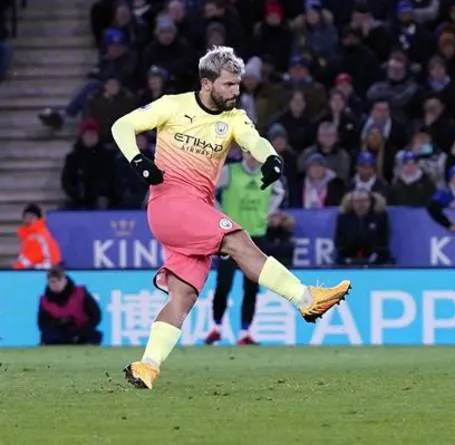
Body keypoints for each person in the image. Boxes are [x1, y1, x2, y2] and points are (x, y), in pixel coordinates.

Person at [110, 46, 351, 389]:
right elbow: (122, 125)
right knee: (237, 240)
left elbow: (255, 140)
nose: (235, 91)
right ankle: (306, 299)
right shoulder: (172, 105)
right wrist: (139, 161)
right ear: (206, 83)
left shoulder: (234, 118)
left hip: (197, 209)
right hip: (170, 204)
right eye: (228, 84)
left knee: (183, 296)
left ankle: (147, 366)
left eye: (237, 84)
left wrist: (271, 159)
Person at [205, 152, 287, 346]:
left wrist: (267, 212)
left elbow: (279, 192)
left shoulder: (267, 173)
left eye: (255, 154)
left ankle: (245, 332)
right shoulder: (230, 172)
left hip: (256, 236)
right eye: (249, 153)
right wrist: (219, 213)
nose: (253, 157)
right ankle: (216, 327)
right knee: (223, 283)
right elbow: (208, 191)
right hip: (231, 236)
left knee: (251, 287)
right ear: (243, 152)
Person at [37, 267, 103, 345]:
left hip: (82, 331)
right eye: (52, 282)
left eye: (59, 280)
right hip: (59, 334)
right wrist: (58, 323)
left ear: (65, 280)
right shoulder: (45, 301)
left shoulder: (81, 293)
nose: (55, 284)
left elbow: (96, 315)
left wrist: (84, 330)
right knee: (47, 335)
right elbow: (42, 324)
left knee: (92, 336)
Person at [13, 204, 62, 269]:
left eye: (32, 217)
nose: (29, 219)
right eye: (26, 217)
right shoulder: (30, 235)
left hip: (42, 270)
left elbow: (31, 258)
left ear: (38, 218)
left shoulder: (37, 236)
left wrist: (17, 267)